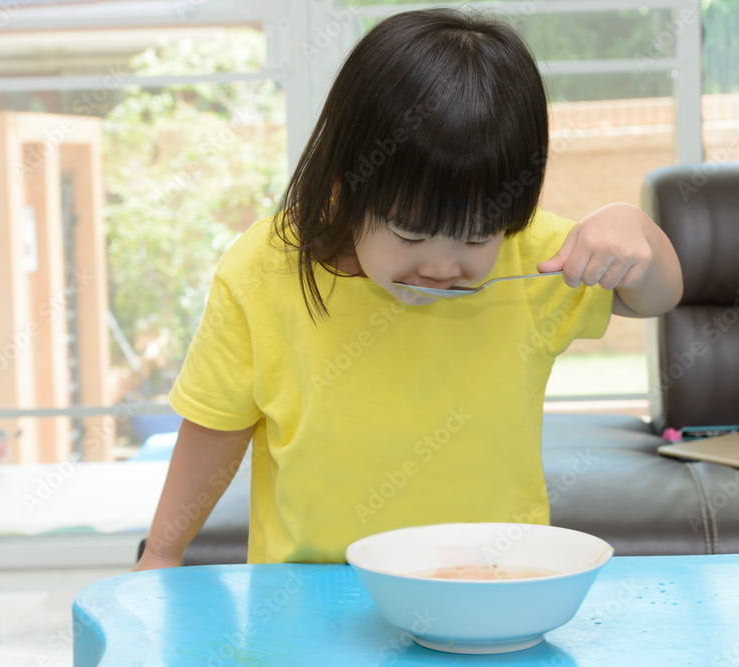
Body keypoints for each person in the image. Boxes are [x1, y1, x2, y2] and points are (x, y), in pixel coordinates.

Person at [133, 7, 682, 571]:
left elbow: (657, 298)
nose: (442, 267)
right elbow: (215, 427)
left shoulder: (535, 256)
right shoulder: (262, 271)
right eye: (410, 234)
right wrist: (162, 552)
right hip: (311, 591)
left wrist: (636, 230)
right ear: (348, 187)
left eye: (476, 238)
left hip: (490, 584)